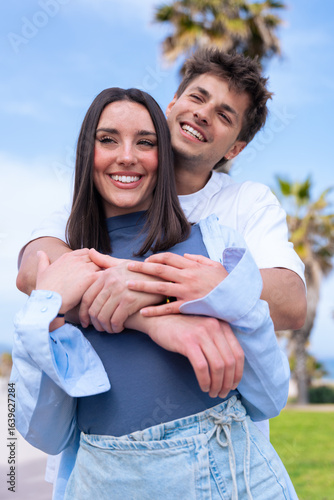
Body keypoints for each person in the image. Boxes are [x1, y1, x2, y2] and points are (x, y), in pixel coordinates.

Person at [12, 87, 295, 499]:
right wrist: (48, 315)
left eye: (145, 142)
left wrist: (217, 301)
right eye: (107, 139)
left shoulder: (215, 243)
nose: (127, 155)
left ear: (163, 155)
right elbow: (45, 433)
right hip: (103, 480)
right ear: (85, 153)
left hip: (231, 474)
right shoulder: (63, 262)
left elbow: (269, 396)